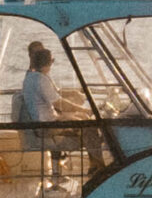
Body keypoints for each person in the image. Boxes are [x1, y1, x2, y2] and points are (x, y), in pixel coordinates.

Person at [21, 46, 105, 178]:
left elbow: (51, 104)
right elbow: (59, 103)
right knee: (90, 126)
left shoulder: (30, 78)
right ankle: (99, 168)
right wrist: (84, 109)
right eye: (52, 62)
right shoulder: (41, 79)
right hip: (47, 126)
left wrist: (78, 113)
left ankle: (94, 165)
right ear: (48, 63)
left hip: (43, 122)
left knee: (83, 119)